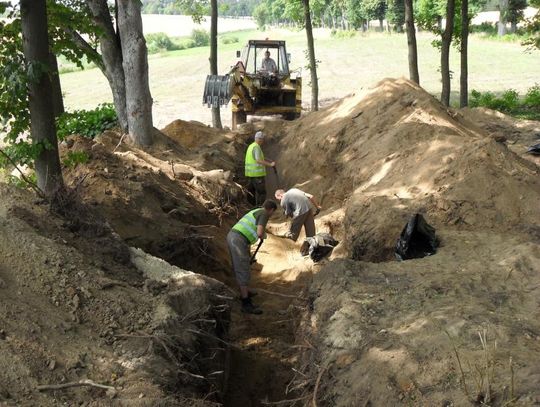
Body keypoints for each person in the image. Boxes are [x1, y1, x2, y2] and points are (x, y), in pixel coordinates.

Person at [227, 200, 277, 314]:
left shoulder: (256, 210)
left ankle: (246, 291)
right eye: (273, 213)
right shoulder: (264, 213)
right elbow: (260, 233)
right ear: (272, 210)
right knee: (242, 268)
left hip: (236, 238)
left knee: (242, 266)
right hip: (238, 239)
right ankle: (246, 303)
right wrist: (264, 235)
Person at [245, 131, 275, 206]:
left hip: (250, 174)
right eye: (262, 139)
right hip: (257, 175)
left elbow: (254, 157)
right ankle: (259, 208)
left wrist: (265, 158)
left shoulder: (251, 146)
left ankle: (251, 208)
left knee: (251, 192)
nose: (263, 141)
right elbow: (258, 160)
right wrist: (270, 164)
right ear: (259, 139)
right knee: (262, 193)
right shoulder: (256, 147)